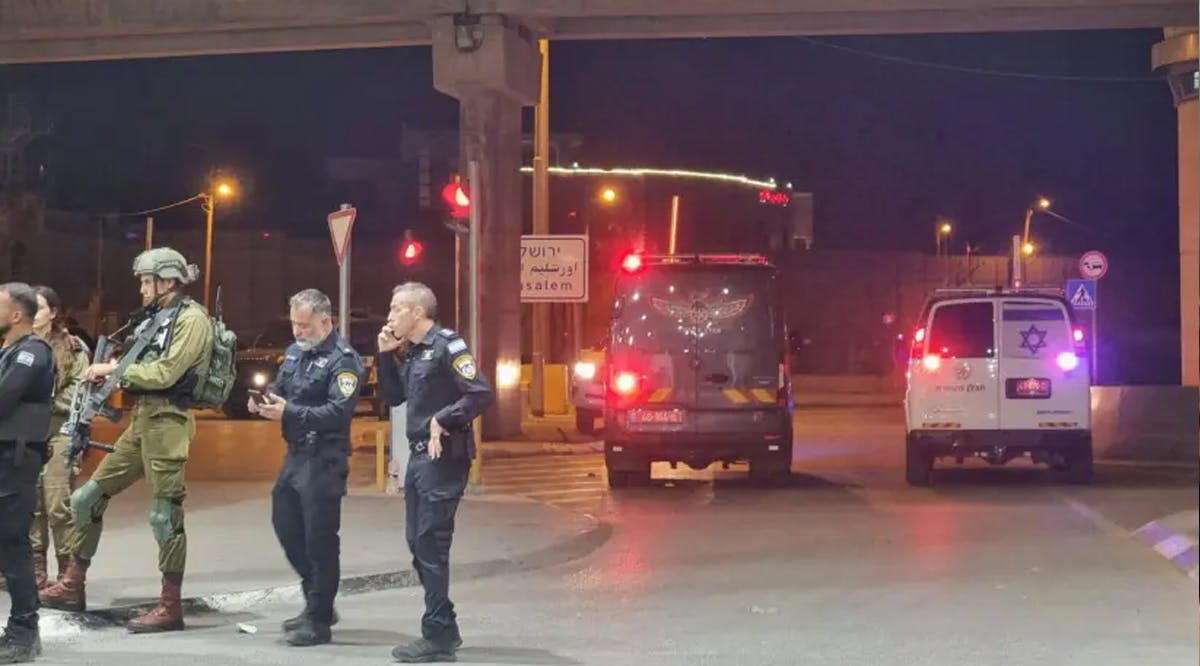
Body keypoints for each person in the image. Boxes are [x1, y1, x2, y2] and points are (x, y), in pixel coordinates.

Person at [40, 248, 214, 634]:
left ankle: (170, 606)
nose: (141, 287)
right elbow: (141, 366)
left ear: (167, 281)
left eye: (146, 280)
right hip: (143, 420)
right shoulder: (157, 319)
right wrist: (113, 371)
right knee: (86, 499)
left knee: (164, 515)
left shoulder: (192, 320)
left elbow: (167, 372)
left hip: (169, 422)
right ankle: (73, 584)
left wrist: (115, 370)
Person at [376, 282, 494, 663]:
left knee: (431, 542)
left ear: (417, 313)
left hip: (445, 457)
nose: (390, 315)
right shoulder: (412, 353)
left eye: (397, 308)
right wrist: (384, 356)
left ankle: (438, 634)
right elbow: (394, 398)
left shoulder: (448, 346)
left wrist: (444, 418)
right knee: (416, 542)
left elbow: (479, 392)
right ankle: (445, 625)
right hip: (418, 459)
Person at [250, 289, 363, 647]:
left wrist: (290, 412)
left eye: (304, 325)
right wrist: (265, 401)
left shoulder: (344, 361)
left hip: (325, 458)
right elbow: (283, 389)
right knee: (286, 525)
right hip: (296, 455)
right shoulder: (296, 353)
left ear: (325, 321)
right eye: (295, 324)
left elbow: (338, 413)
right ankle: (317, 598)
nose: (297, 332)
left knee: (320, 539)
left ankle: (319, 617)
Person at [0, 282, 56, 663]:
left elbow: (3, 399)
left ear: (16, 314)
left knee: (13, 541)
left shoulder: (33, 352)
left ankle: (24, 630)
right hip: (5, 455)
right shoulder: (10, 351)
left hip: (15, 459)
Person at [29, 286, 90, 590]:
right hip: (25, 435)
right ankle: (36, 569)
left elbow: (79, 391)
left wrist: (42, 401)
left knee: (57, 503)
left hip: (60, 431)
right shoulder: (15, 345)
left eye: (38, 307)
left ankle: (68, 572)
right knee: (32, 505)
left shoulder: (72, 348)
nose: (31, 313)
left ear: (53, 313)